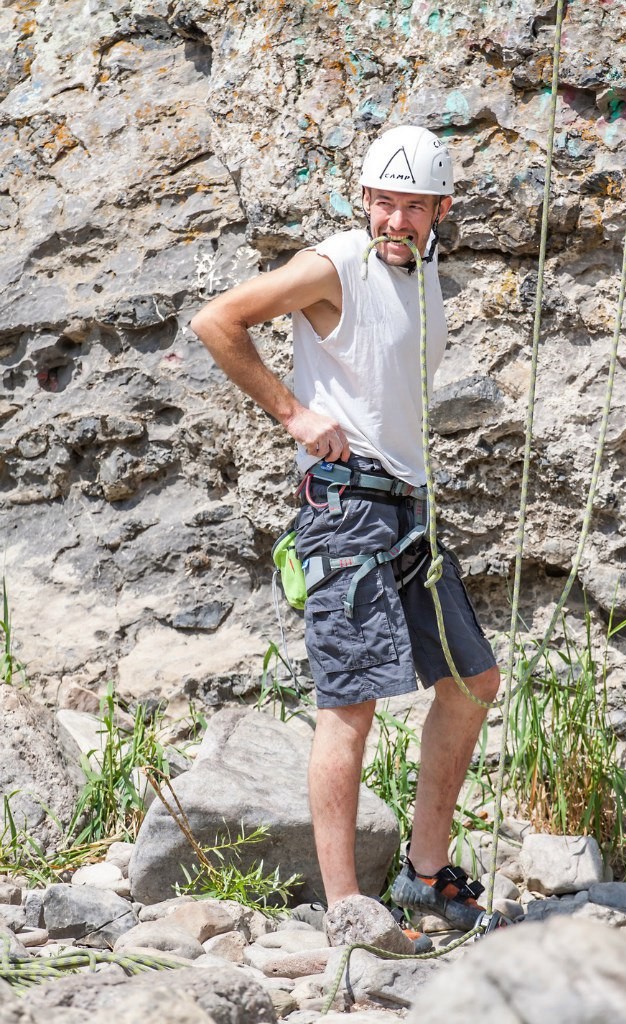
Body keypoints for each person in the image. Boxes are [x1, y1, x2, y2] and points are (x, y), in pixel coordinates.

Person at [191, 125, 501, 935]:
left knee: (472, 682)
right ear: (363, 199)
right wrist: (294, 414)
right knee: (351, 704)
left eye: (414, 207)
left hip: (408, 509)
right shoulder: (335, 265)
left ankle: (424, 877)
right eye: (384, 202)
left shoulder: (422, 276)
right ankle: (347, 909)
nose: (396, 220)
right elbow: (218, 321)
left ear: (441, 210)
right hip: (347, 509)